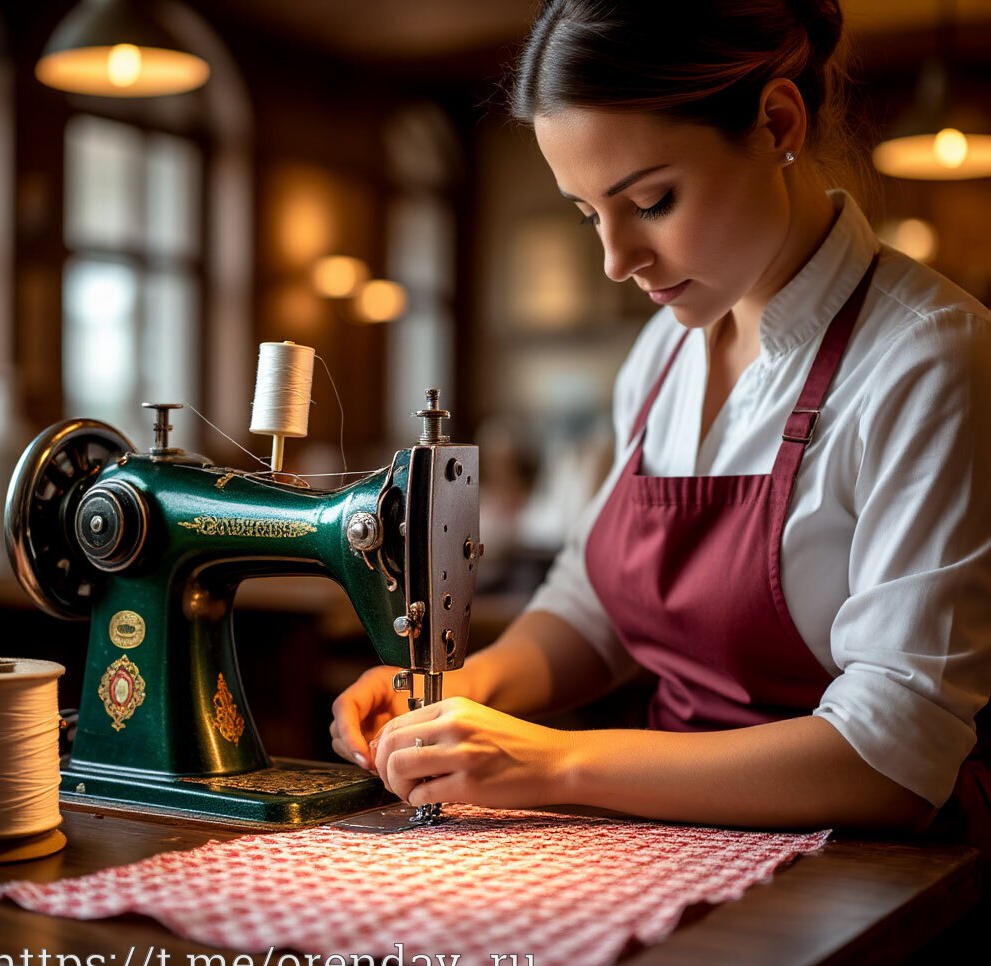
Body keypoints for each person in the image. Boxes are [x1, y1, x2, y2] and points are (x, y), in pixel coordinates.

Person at [330, 0, 991, 846]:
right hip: (669, 840)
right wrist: (462, 687)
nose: (615, 262)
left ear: (777, 123)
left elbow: (891, 758)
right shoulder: (663, 354)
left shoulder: (928, 359)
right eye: (587, 215)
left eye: (650, 201)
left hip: (874, 885)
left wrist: (550, 764)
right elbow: (595, 608)